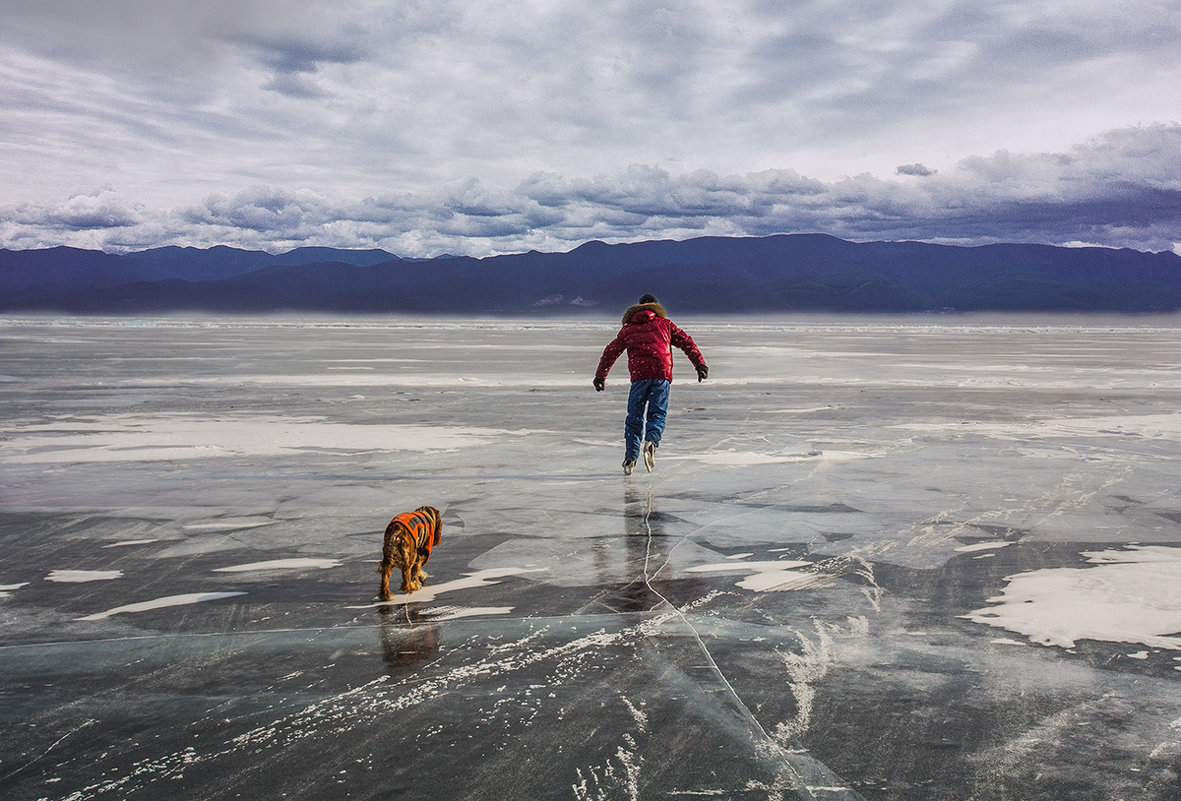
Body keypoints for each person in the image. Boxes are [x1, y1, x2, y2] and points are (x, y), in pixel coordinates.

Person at [594, 294, 708, 474]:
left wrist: (600, 376)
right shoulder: (665, 324)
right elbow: (686, 342)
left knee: (634, 417)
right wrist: (700, 364)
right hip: (661, 374)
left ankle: (631, 458)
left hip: (640, 376)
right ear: (655, 307)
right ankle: (651, 442)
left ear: (638, 308)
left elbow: (611, 352)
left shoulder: (628, 329)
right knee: (657, 413)